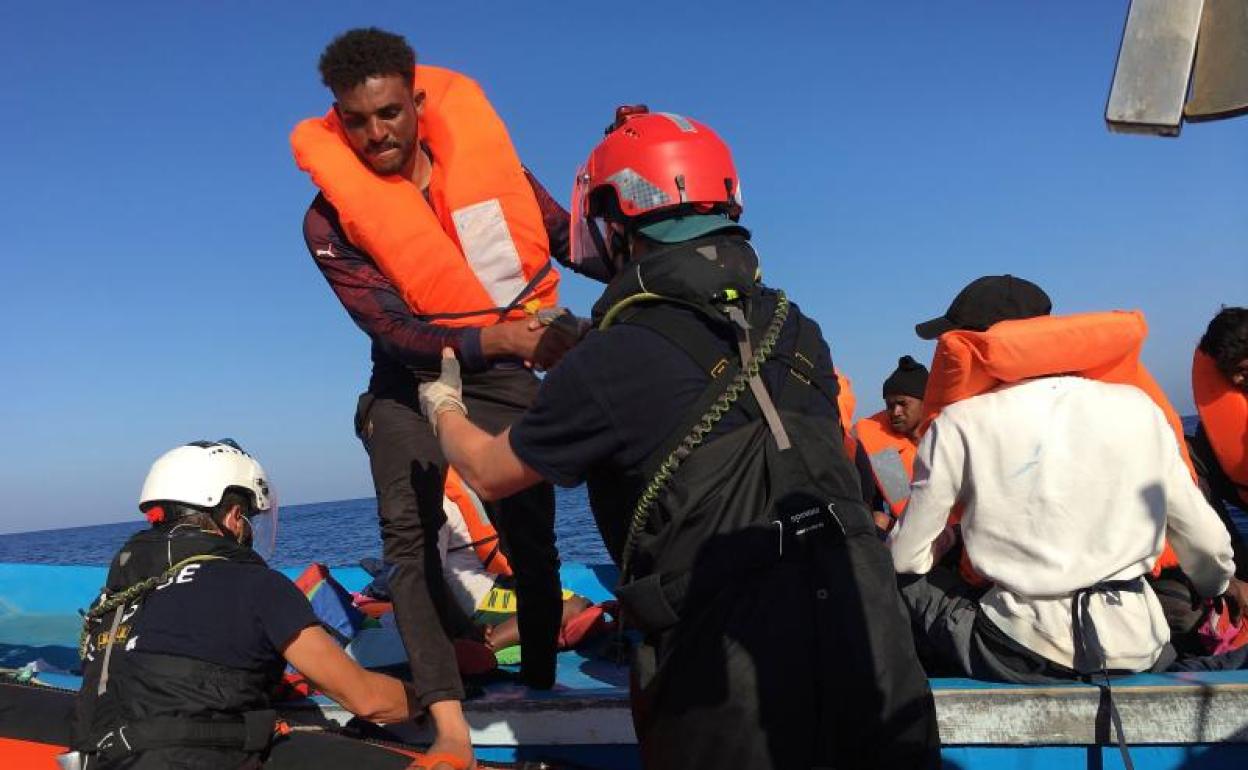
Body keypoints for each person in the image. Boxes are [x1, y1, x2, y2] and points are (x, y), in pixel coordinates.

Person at [418, 106, 940, 769]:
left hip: (729, 686)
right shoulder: (796, 327)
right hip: (871, 649)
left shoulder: (613, 357)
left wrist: (444, 408)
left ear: (616, 221)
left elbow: (491, 472)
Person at [291, 27, 578, 758]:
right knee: (407, 540)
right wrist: (497, 341)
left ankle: (543, 670)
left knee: (530, 532)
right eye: (354, 121)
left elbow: (567, 238)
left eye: (388, 113)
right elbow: (389, 328)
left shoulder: (487, 165)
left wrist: (645, 232)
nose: (374, 134)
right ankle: (451, 732)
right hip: (408, 377)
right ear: (337, 118)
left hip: (505, 366)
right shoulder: (328, 220)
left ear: (416, 99)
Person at [889, 275, 1238, 688]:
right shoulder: (1137, 406)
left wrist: (946, 540)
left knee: (899, 577)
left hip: (1018, 649)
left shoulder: (957, 424)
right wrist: (1215, 585)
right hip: (1138, 643)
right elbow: (1210, 549)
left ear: (973, 344)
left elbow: (906, 558)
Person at [69, 440, 469, 770]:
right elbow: (369, 700)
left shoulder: (111, 600)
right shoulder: (253, 584)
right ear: (232, 515)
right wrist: (433, 697)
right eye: (248, 518)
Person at [853, 355, 928, 533]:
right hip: (906, 538)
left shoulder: (950, 437)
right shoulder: (882, 449)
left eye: (902, 404)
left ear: (926, 402)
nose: (895, 412)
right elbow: (892, 503)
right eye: (890, 405)